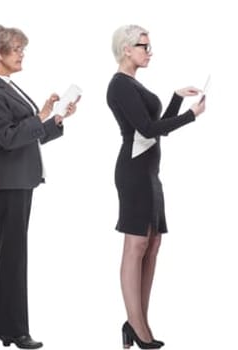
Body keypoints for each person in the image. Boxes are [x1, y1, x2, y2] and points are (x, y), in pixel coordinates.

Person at [0, 24, 75, 350]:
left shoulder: (8, 85)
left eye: (21, 49)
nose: (21, 54)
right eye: (16, 49)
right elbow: (8, 137)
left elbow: (29, 131)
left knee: (7, 252)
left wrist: (55, 120)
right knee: (13, 255)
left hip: (20, 179)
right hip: (6, 182)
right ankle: (15, 330)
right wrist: (41, 115)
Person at [105, 24, 205, 350]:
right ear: (126, 49)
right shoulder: (119, 86)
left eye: (149, 46)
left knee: (153, 243)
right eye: (144, 46)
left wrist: (176, 99)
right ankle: (137, 325)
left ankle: (139, 322)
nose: (149, 52)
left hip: (149, 172)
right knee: (135, 245)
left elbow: (153, 131)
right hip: (133, 172)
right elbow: (147, 128)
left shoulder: (133, 84)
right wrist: (190, 116)